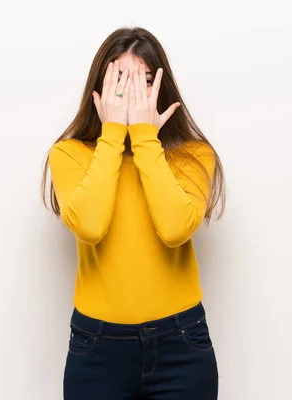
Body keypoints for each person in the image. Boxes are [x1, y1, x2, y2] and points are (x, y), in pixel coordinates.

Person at [41, 26, 226, 400]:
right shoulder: (69, 154)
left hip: (181, 345)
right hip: (97, 347)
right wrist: (112, 135)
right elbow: (90, 226)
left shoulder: (193, 156)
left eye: (143, 83)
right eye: (120, 82)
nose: (132, 97)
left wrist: (144, 136)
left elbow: (175, 229)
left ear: (162, 89)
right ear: (99, 90)